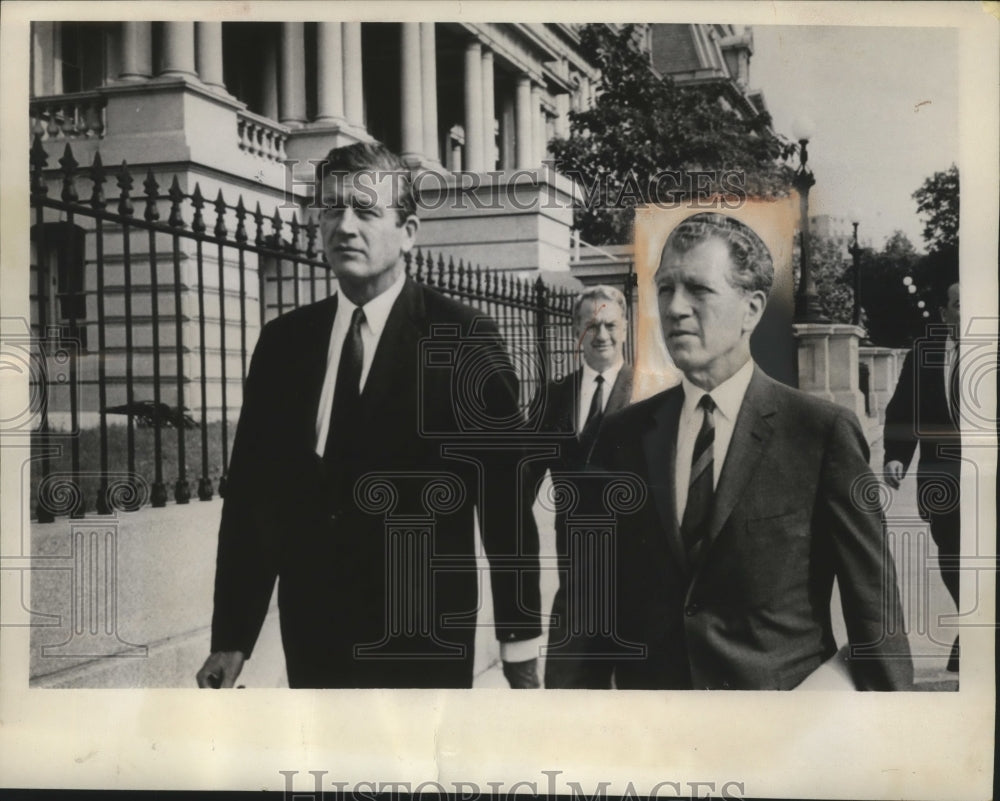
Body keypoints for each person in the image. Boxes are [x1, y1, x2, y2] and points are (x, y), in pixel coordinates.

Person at [196, 142, 542, 689]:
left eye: (365, 210)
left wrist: (518, 639)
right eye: (331, 210)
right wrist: (232, 636)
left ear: (409, 232)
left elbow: (505, 505)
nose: (344, 226)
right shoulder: (285, 343)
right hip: (316, 638)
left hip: (423, 637)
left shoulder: (464, 340)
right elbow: (254, 500)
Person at [567, 212, 913, 690]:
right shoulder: (622, 435)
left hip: (780, 735)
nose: (674, 308)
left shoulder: (819, 434)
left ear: (751, 308)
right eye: (665, 289)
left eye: (698, 289)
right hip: (658, 739)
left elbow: (875, 614)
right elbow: (587, 609)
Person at [526, 285, 634, 688]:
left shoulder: (652, 392)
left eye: (609, 325)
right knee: (567, 698)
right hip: (577, 583)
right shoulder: (554, 396)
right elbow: (521, 478)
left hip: (639, 581)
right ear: (577, 330)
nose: (601, 335)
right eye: (592, 325)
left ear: (624, 328)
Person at [884, 278, 961, 672]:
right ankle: (974, 624)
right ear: (946, 314)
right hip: (942, 475)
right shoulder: (924, 353)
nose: (967, 311)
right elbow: (903, 410)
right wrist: (896, 455)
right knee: (951, 554)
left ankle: (977, 634)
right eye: (958, 304)